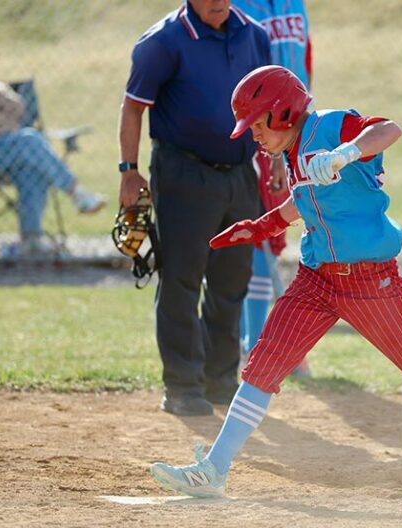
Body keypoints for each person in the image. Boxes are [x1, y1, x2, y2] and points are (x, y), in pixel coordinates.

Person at [149, 65, 402, 498]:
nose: (253, 135)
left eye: (257, 124)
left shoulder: (330, 125)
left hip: (368, 280)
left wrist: (345, 152)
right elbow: (305, 199)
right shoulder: (289, 153)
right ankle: (214, 469)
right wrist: (263, 226)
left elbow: (388, 130)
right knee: (264, 363)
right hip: (316, 280)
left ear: (284, 111)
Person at [118, 1, 273, 417]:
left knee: (231, 279)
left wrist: (275, 161)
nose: (219, 2)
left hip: (241, 172)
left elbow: (268, 105)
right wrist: (129, 172)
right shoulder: (164, 41)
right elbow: (133, 106)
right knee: (181, 280)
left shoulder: (254, 35)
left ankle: (221, 381)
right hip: (183, 173)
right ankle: (183, 386)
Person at [0, 34, 106, 257]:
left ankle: (31, 240)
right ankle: (76, 192)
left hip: (8, 157)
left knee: (33, 168)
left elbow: (19, 113)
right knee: (29, 140)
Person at [232, 0, 312, 376]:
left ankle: (261, 344)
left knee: (275, 241)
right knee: (257, 239)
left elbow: (302, 68)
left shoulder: (293, 3)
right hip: (256, 134)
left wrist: (291, 143)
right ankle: (253, 345)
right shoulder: (236, 6)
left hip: (291, 133)